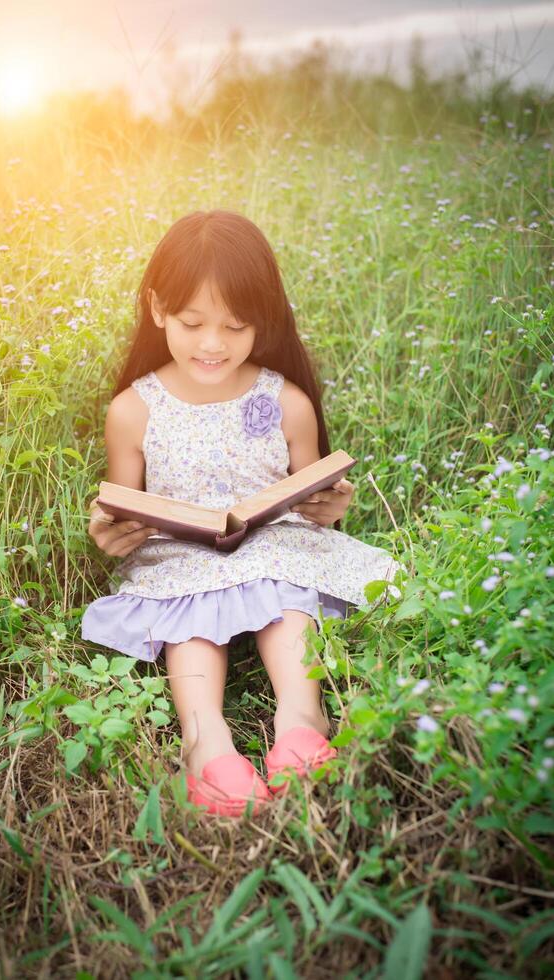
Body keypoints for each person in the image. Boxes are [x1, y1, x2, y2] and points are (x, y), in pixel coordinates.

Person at [82, 210, 402, 818]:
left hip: (272, 543)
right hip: (181, 553)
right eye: (192, 322)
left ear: (264, 320)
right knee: (189, 618)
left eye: (235, 326)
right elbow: (126, 506)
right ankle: (207, 741)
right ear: (157, 309)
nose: (212, 344)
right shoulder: (134, 409)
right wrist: (113, 534)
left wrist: (326, 508)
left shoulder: (284, 398)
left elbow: (309, 497)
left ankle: (302, 717)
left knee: (287, 591)